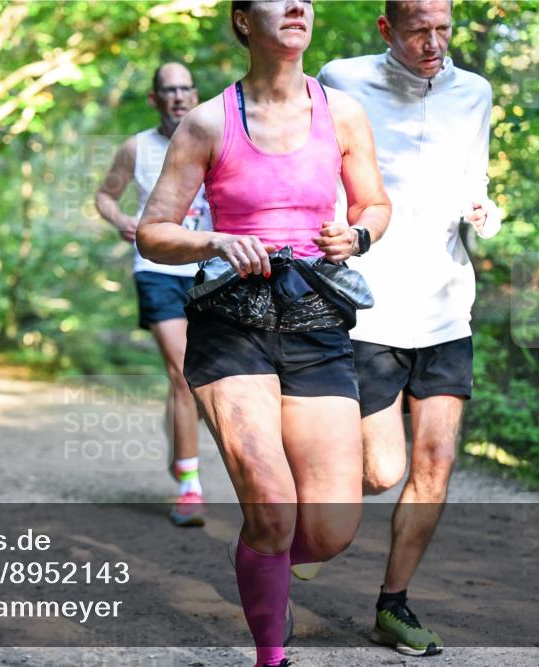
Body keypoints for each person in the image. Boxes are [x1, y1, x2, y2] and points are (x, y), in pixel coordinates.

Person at [137, 1, 391, 665]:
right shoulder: (206, 122)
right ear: (245, 20)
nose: (300, 6)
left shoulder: (342, 114)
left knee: (331, 529)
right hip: (232, 324)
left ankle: (264, 549)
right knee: (274, 507)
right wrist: (216, 239)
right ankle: (270, 653)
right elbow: (153, 231)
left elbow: (375, 203)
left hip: (314, 318)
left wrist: (358, 232)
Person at [317, 0, 502, 656]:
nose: (435, 42)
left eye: (443, 27)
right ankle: (307, 538)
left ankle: (392, 603)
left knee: (436, 459)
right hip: (370, 308)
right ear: (386, 29)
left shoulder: (473, 93)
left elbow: (473, 188)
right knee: (377, 469)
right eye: (419, 29)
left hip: (447, 306)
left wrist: (488, 211)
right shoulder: (341, 79)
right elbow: (315, 172)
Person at [95, 62, 213, 527]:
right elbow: (105, 195)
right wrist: (121, 219)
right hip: (157, 267)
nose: (178, 97)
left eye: (186, 88)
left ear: (195, 93)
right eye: (169, 90)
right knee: (183, 374)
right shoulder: (136, 148)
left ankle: (177, 439)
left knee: (201, 383)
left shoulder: (214, 135)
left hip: (210, 267)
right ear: (155, 98)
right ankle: (190, 488)